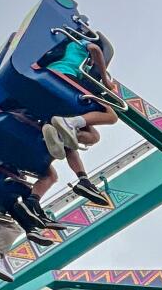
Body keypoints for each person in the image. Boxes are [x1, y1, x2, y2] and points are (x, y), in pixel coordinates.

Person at [38, 33, 118, 206]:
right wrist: (105, 80)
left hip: (49, 86)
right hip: (66, 79)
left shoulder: (55, 51)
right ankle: (71, 123)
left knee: (89, 137)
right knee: (111, 116)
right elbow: (95, 49)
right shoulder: (78, 43)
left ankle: (83, 180)